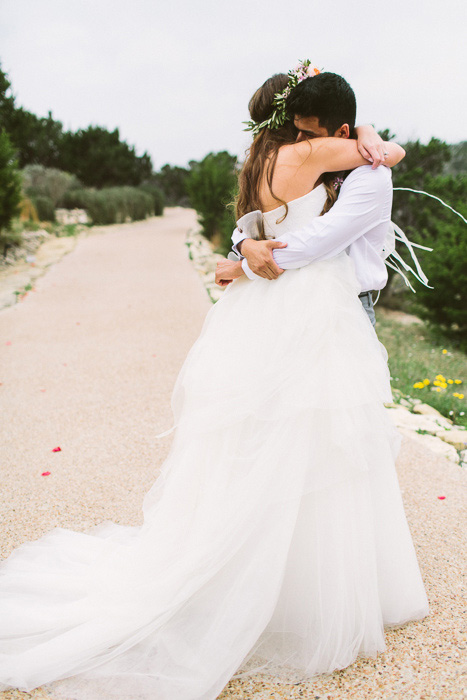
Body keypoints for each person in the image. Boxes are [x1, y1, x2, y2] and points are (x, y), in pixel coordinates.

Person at [0, 62, 430, 700]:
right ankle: (278, 587)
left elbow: (275, 228)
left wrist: (242, 257)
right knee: (304, 438)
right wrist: (249, 253)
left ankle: (296, 573)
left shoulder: (275, 155)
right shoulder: (338, 157)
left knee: (300, 439)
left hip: (281, 308)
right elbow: (308, 242)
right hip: (309, 308)